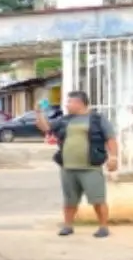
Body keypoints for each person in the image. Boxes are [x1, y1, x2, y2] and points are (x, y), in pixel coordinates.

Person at [37, 90, 119, 238]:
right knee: (69, 201)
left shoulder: (97, 119)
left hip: (90, 167)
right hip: (68, 167)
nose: (67, 105)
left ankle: (103, 227)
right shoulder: (65, 120)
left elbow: (110, 138)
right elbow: (46, 128)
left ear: (79, 103)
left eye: (69, 102)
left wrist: (113, 157)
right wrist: (38, 113)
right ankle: (68, 226)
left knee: (98, 199)